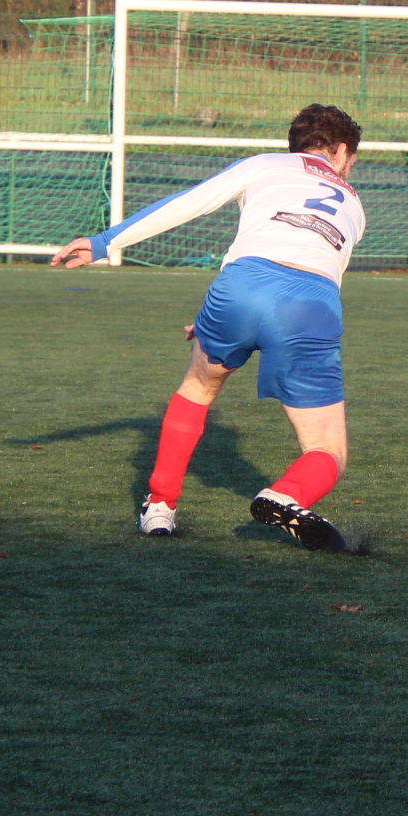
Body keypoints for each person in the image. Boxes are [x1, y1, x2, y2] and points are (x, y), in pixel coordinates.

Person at [53, 104, 368, 554]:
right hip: (311, 304)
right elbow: (317, 272)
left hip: (239, 289)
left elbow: (188, 203)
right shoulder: (354, 204)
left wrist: (104, 243)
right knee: (327, 448)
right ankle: (286, 495)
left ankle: (160, 507)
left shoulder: (265, 164)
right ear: (340, 151)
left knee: (199, 387)